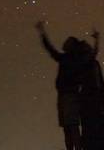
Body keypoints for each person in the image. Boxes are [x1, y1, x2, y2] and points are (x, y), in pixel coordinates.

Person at [35, 21, 84, 150]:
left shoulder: (71, 59)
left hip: (69, 95)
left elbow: (51, 50)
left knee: (71, 126)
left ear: (72, 46)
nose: (65, 43)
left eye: (68, 41)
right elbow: (51, 50)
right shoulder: (68, 58)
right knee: (68, 127)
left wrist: (42, 33)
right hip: (64, 95)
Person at [77, 32, 104, 150]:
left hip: (96, 98)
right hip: (90, 100)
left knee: (99, 128)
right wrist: (97, 40)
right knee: (92, 129)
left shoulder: (93, 63)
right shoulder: (84, 63)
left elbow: (100, 81)